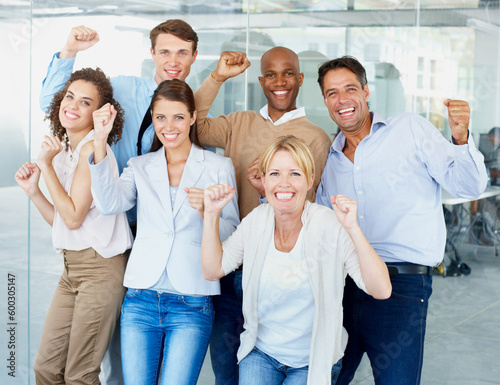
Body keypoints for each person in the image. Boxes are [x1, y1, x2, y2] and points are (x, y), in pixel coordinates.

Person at [38, 20, 199, 383]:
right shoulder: (124, 89)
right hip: (114, 230)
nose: (172, 60)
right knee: (105, 355)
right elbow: (60, 101)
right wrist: (69, 51)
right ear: (152, 53)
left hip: (155, 235)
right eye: (164, 51)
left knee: (127, 354)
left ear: (193, 56)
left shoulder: (191, 104)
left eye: (182, 52)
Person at [315, 56, 488, 384]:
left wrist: (462, 139)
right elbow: (323, 227)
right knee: (326, 379)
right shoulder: (330, 157)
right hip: (344, 286)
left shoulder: (410, 128)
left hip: (402, 286)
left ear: (366, 92)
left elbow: (468, 185)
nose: (342, 100)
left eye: (350, 89)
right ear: (325, 101)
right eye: (332, 93)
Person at [200, 135, 391, 385]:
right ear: (264, 180)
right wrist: (212, 215)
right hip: (261, 353)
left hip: (312, 361)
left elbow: (381, 289)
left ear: (310, 180)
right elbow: (213, 269)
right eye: (275, 173)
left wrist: (353, 229)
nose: (284, 183)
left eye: (295, 174)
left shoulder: (329, 225)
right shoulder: (257, 220)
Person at [88, 79, 240, 385]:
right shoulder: (140, 165)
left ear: (193, 117)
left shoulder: (218, 166)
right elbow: (109, 203)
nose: (169, 126)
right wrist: (100, 141)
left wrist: (207, 213)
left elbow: (232, 235)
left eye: (178, 117)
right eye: (160, 117)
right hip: (141, 299)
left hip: (192, 302)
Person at [194, 46, 331, 385]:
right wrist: (218, 77)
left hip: (280, 276)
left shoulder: (316, 138)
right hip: (231, 268)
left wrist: (264, 192)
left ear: (300, 79)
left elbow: (309, 207)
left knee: (267, 367)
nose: (279, 81)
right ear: (261, 80)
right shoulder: (239, 122)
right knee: (226, 372)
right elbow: (190, 124)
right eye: (271, 74)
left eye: (288, 74)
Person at [15, 68, 132, 384]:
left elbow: (73, 216)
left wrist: (45, 166)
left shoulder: (93, 150)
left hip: (100, 271)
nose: (73, 105)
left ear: (97, 113)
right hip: (72, 269)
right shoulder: (66, 149)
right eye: (69, 97)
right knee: (46, 368)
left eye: (85, 102)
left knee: (80, 374)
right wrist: (34, 191)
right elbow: (64, 223)